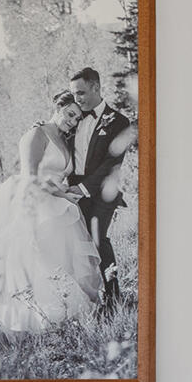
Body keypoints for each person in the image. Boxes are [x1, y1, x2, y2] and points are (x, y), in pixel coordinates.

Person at [0, 90, 103, 354]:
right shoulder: (35, 135)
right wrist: (64, 195)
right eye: (70, 114)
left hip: (58, 209)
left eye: (77, 118)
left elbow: (59, 174)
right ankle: (22, 328)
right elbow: (31, 177)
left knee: (60, 263)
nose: (73, 121)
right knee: (33, 263)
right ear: (57, 107)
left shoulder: (63, 139)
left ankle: (59, 322)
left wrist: (68, 192)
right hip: (33, 205)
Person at [67, 66, 136, 306]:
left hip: (101, 192)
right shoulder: (73, 114)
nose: (77, 99)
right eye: (74, 94)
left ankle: (114, 297)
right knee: (73, 244)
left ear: (96, 87)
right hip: (70, 192)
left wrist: (83, 188)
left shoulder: (119, 122)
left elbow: (111, 164)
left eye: (81, 93)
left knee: (97, 239)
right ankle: (86, 299)